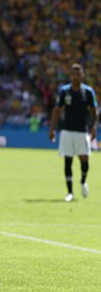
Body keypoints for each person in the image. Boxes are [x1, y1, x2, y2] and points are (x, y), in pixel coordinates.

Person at [49, 63, 97, 202]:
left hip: (82, 131)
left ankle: (83, 181)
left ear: (82, 75)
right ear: (70, 75)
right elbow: (57, 110)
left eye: (78, 73)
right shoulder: (64, 91)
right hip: (67, 130)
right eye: (73, 73)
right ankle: (69, 192)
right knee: (67, 160)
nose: (75, 76)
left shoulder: (88, 92)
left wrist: (93, 126)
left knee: (84, 159)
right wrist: (52, 129)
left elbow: (94, 111)